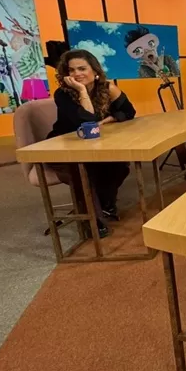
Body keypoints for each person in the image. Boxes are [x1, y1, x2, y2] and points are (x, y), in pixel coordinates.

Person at [48, 50, 136, 237]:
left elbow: (129, 111)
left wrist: (108, 120)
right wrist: (82, 91)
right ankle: (94, 221)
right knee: (83, 172)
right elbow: (87, 120)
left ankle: (105, 205)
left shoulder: (107, 88)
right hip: (64, 146)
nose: (77, 74)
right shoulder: (63, 94)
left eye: (82, 68)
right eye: (72, 70)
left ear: (95, 70)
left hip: (93, 145)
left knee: (119, 166)